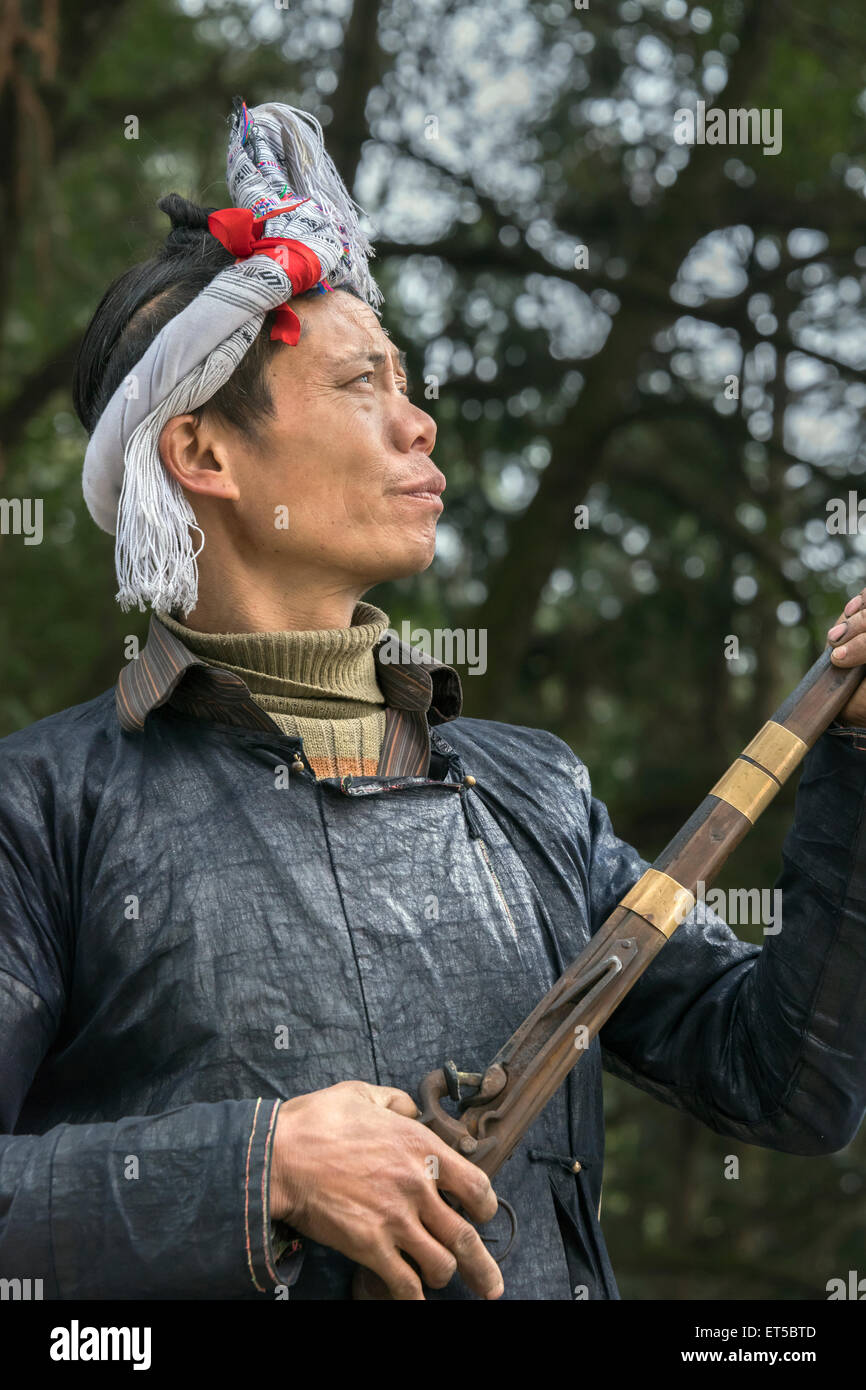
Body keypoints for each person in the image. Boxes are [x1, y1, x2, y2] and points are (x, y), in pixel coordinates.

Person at [1, 99, 865, 1302]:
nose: (419, 422)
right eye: (364, 381)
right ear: (203, 457)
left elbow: (791, 1082)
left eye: (405, 379)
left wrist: (856, 753)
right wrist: (260, 1170)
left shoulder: (533, 792)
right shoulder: (39, 808)